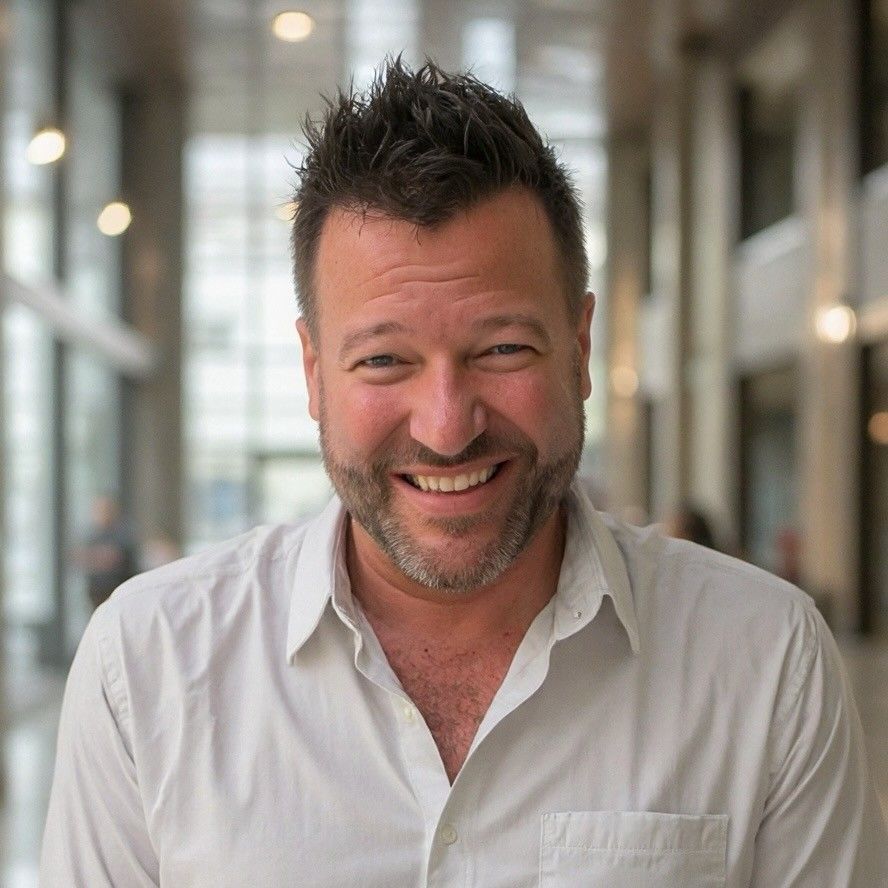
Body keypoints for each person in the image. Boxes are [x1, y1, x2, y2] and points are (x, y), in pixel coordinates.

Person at [41, 59, 887, 886]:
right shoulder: (149, 665)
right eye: (384, 360)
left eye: (502, 349)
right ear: (312, 371)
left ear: (581, 348)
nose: (447, 427)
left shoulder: (764, 659)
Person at [70, 494, 138, 610]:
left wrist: (95, 557)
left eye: (106, 510)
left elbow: (116, 557)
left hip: (117, 588)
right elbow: (76, 556)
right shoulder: (90, 535)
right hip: (96, 590)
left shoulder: (124, 534)